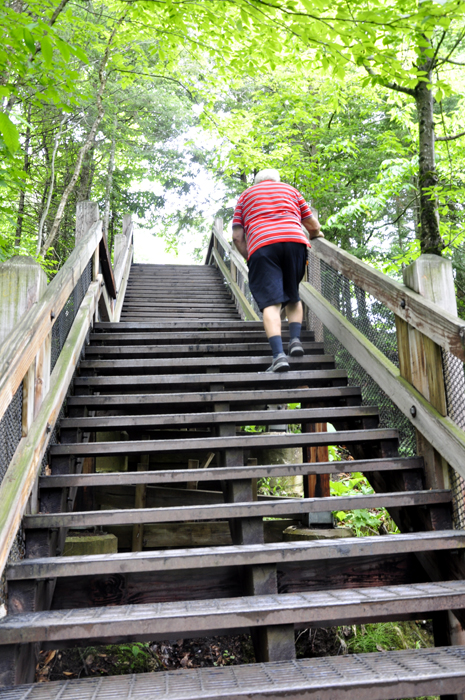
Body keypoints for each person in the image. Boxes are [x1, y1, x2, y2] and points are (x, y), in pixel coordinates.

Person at [232, 169, 324, 372]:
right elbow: (312, 225)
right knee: (293, 295)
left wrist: (250, 255)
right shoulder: (290, 190)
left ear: (257, 182)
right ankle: (296, 341)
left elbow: (237, 236)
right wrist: (318, 234)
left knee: (271, 304)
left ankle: (278, 356)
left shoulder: (245, 196)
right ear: (277, 180)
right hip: (294, 243)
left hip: (262, 246)